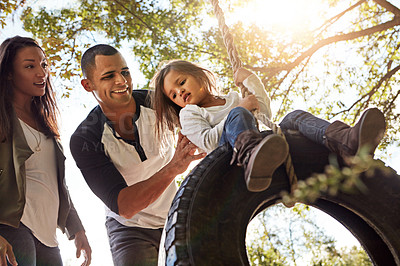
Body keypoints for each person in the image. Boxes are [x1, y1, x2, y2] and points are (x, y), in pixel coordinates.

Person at [152, 60, 386, 191]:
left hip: (265, 145)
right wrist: (239, 110)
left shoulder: (234, 97)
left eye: (181, 83)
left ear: (199, 77)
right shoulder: (191, 113)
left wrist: (250, 80)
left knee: (293, 117)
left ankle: (346, 142)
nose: (180, 92)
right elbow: (209, 142)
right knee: (237, 117)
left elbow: (264, 114)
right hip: (234, 157)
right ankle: (253, 156)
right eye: (173, 95)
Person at [70, 45, 205, 265]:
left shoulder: (159, 104)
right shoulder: (85, 139)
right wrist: (174, 167)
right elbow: (125, 207)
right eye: (108, 76)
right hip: (129, 229)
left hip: (176, 215)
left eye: (124, 72)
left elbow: (206, 114)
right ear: (88, 85)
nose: (121, 81)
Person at [0, 36, 92, 266]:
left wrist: (77, 228)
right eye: (30, 66)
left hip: (48, 236)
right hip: (12, 226)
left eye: (44, 65)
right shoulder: (2, 119)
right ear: (9, 73)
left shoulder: (46, 124)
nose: (41, 73)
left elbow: (55, 181)